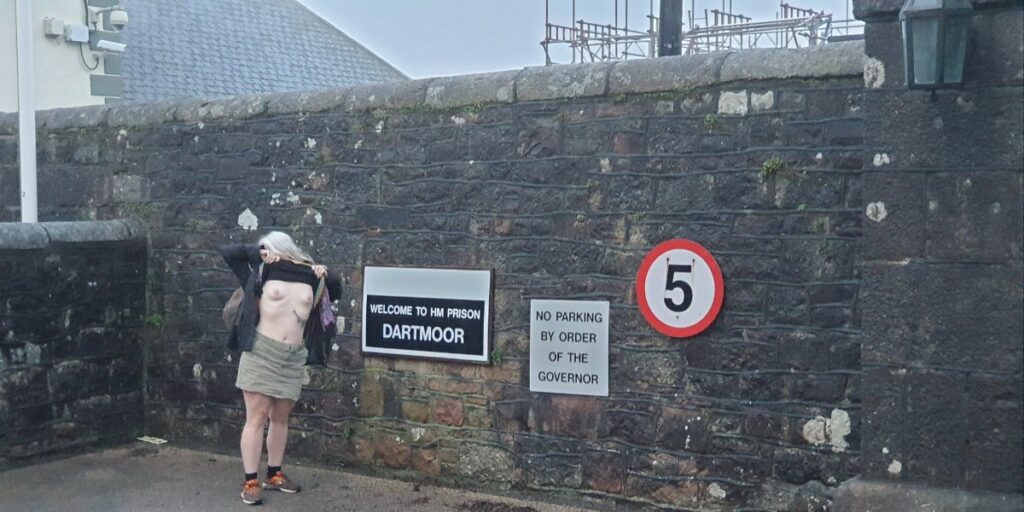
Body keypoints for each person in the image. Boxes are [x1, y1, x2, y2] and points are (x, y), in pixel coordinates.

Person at [220, 231, 342, 505]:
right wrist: (257, 252)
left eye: (270, 248)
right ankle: (251, 481)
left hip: (293, 355)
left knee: (281, 418)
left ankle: (274, 474)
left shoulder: (310, 274)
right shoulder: (260, 270)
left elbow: (337, 291)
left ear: (285, 247)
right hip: (261, 352)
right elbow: (228, 252)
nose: (269, 253)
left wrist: (327, 274)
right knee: (256, 417)